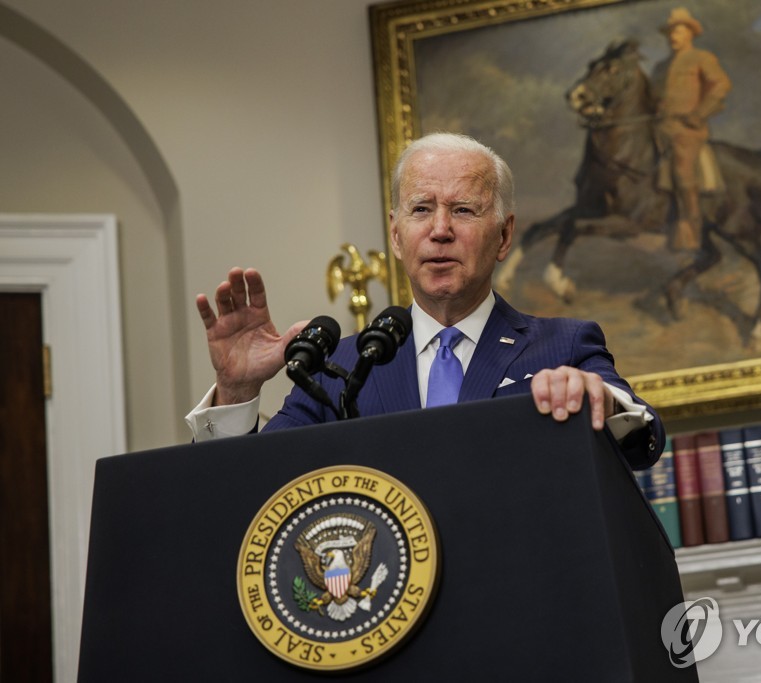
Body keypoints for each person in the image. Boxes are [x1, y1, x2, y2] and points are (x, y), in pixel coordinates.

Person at [186, 132, 664, 469]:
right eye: (421, 210)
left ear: (503, 236)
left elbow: (643, 442)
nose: (440, 230)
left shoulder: (564, 344)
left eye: (462, 210)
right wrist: (236, 391)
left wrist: (598, 397)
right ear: (396, 236)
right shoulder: (338, 368)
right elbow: (254, 485)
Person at [653, 7, 732, 252]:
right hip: (659, 127)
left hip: (687, 130)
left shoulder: (701, 58)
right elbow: (655, 98)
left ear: (690, 34)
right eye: (670, 32)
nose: (673, 36)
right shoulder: (661, 66)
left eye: (678, 31)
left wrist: (699, 114)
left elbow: (721, 84)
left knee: (682, 169)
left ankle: (691, 227)